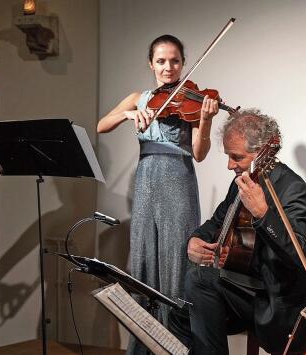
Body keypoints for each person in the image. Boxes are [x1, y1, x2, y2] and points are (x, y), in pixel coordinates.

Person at [96, 34, 220, 354]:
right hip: (146, 181)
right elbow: (101, 125)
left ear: (182, 63)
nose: (168, 67)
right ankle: (144, 346)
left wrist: (204, 120)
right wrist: (128, 114)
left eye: (175, 61)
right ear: (150, 64)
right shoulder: (139, 97)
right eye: (161, 61)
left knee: (177, 262)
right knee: (144, 259)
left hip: (178, 179)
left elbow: (199, 152)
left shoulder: (191, 99)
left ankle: (176, 346)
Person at [169, 109, 306, 355]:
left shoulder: (293, 189)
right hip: (250, 294)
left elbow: (299, 254)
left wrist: (263, 213)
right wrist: (195, 240)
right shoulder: (243, 181)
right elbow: (216, 222)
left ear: (262, 153)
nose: (230, 165)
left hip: (281, 307)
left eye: (236, 157)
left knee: (198, 281)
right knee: (179, 313)